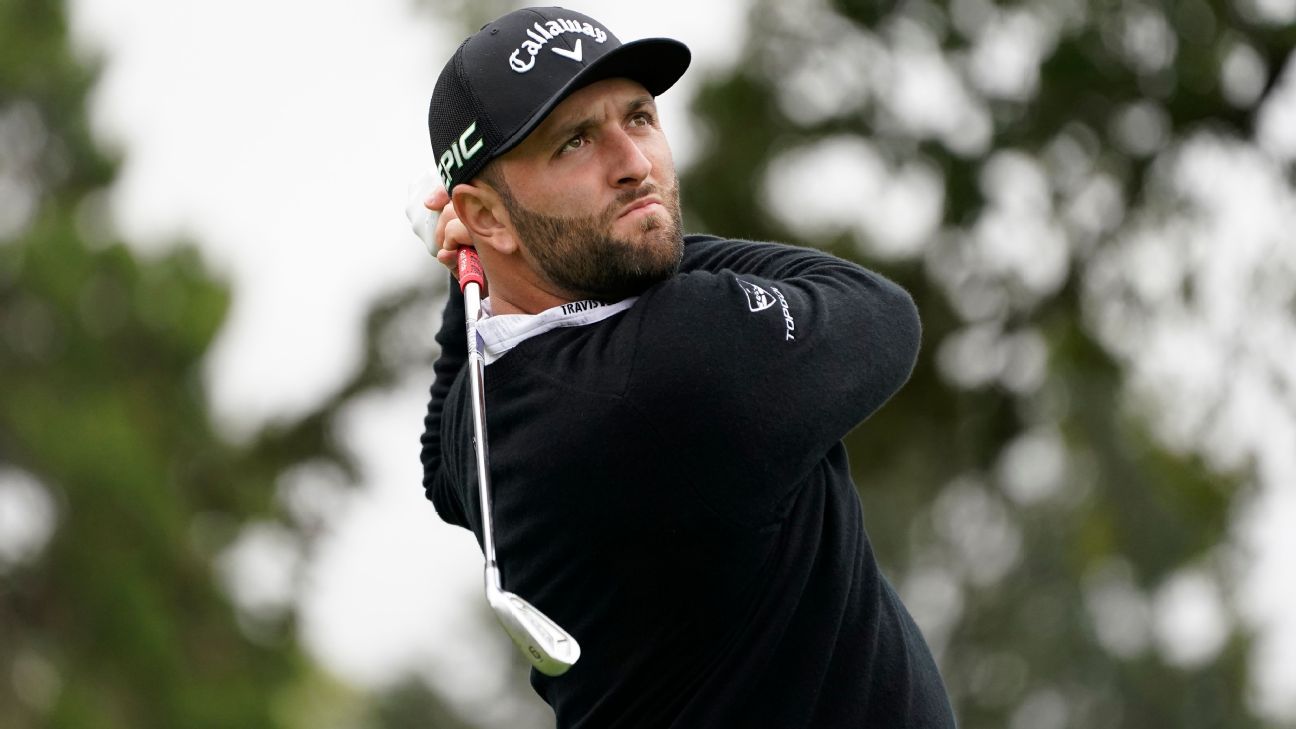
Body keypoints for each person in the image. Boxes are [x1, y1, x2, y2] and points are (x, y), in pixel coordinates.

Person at [418, 7, 956, 728]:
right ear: (485, 214)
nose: (634, 164)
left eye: (639, 118)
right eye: (574, 142)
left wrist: (475, 269)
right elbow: (880, 310)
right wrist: (630, 234)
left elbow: (440, 463)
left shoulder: (483, 418)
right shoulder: (676, 362)